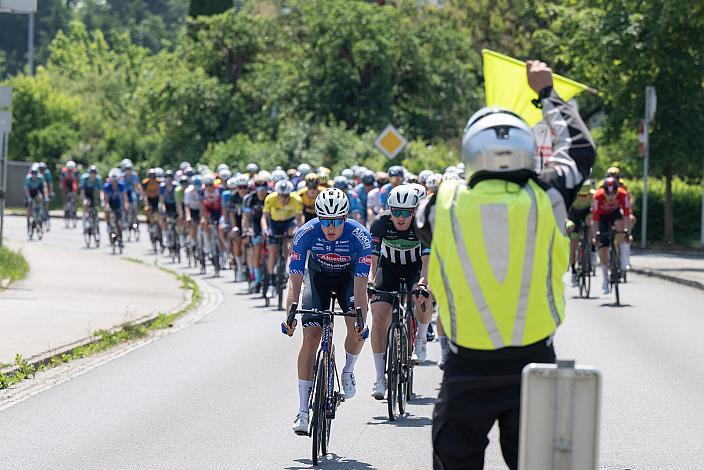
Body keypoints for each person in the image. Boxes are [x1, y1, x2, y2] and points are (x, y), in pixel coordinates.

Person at [415, 60, 595, 469]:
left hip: (466, 369)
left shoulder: (442, 204)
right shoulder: (549, 195)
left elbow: (422, 224)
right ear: (527, 151)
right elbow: (580, 150)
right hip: (536, 365)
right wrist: (547, 92)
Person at [281, 188, 372, 435]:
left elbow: (362, 286)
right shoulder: (306, 233)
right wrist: (290, 314)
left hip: (348, 280)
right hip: (317, 278)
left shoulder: (360, 236)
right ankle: (302, 410)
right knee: (311, 338)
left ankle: (348, 370)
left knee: (357, 326)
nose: (330, 227)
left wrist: (360, 317)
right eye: (325, 220)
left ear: (345, 218)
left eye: (335, 221)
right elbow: (295, 278)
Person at [368, 184, 432, 399]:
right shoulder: (380, 223)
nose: (401, 217)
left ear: (414, 212)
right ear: (390, 210)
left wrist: (423, 283)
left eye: (406, 212)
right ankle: (379, 378)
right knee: (378, 317)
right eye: (396, 211)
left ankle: (421, 339)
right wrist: (369, 281)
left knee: (424, 296)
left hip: (415, 268)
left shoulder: (421, 225)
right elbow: (374, 257)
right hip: (389, 268)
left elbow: (426, 261)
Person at [262, 179, 303, 298]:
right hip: (274, 224)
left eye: (286, 196)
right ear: (277, 194)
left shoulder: (296, 199)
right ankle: (271, 281)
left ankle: (285, 266)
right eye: (281, 196)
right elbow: (264, 218)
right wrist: (265, 229)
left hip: (289, 223)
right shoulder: (270, 198)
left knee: (290, 241)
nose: (284, 198)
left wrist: (296, 230)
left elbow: (299, 220)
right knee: (273, 251)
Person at [591, 176, 631, 294]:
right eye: (608, 195)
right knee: (603, 249)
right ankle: (604, 279)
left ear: (617, 191)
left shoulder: (623, 195)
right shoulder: (597, 197)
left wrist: (627, 233)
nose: (610, 198)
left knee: (620, 226)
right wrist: (595, 236)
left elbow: (627, 216)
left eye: (613, 194)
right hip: (602, 217)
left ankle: (623, 259)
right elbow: (595, 220)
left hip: (615, 213)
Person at [243, 174, 270, 291]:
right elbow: (246, 218)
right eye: (259, 189)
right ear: (255, 189)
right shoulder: (250, 199)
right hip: (255, 226)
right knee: (257, 249)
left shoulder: (271, 197)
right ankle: (257, 279)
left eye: (264, 189)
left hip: (269, 226)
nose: (262, 192)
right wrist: (247, 230)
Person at [566, 179, 595, 287]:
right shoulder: (572, 195)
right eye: (581, 195)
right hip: (574, 214)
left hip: (587, 213)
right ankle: (573, 271)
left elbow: (596, 212)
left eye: (585, 195)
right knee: (573, 245)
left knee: (591, 224)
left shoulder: (594, 195)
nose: (583, 198)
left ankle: (592, 250)